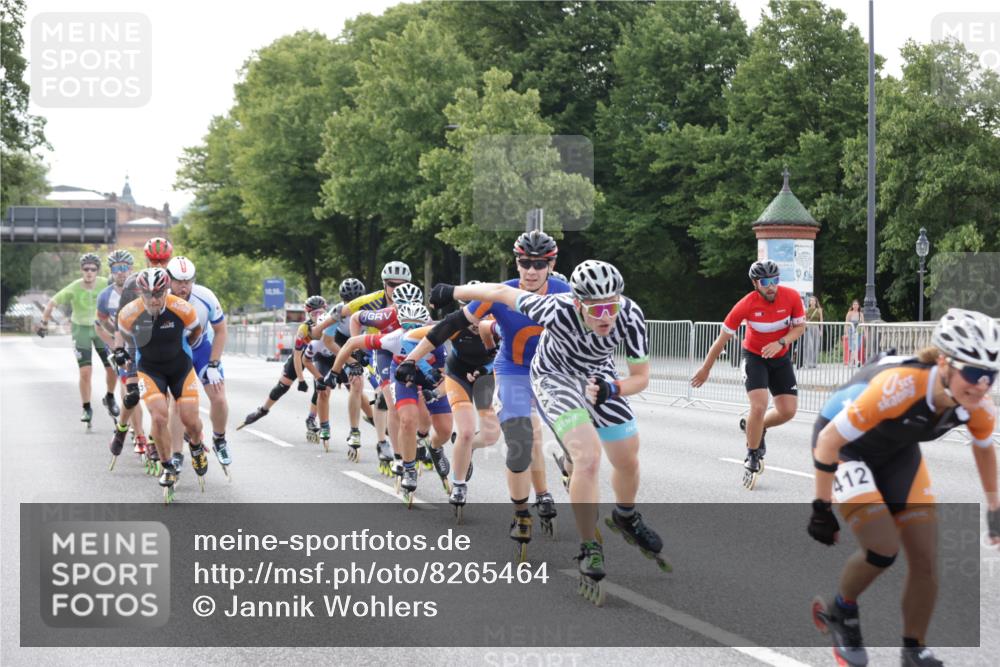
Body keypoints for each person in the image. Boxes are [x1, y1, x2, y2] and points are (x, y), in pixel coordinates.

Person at [429, 260, 660, 606]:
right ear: (577, 303)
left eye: (611, 307)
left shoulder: (629, 314)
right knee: (587, 458)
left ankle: (626, 515)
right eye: (596, 309)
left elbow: (641, 377)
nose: (606, 317)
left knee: (627, 458)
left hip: (599, 376)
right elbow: (500, 292)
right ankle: (589, 548)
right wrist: (453, 291)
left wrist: (614, 389)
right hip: (554, 378)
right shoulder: (554, 307)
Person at [807, 308, 999, 667]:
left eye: (990, 375)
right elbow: (830, 440)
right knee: (882, 547)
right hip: (846, 447)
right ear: (944, 363)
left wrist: (994, 507)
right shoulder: (901, 386)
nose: (982, 385)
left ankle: (914, 650)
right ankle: (842, 610)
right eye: (973, 373)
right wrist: (821, 507)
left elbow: (984, 449)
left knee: (925, 557)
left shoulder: (978, 406)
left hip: (896, 451)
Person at [417, 231, 566, 546]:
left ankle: (550, 489)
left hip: (549, 372)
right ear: (517, 262)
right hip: (511, 371)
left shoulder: (565, 293)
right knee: (522, 438)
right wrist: (412, 361)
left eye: (539, 264)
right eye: (524, 262)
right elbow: (450, 325)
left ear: (551, 265)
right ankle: (521, 511)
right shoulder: (500, 293)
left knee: (560, 440)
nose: (531, 270)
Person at [690, 260, 806, 490]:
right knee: (759, 405)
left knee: (788, 411)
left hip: (780, 356)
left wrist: (781, 342)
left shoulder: (792, 297)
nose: (771, 286)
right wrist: (706, 368)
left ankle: (756, 427)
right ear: (755, 284)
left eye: (775, 280)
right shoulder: (745, 305)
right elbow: (721, 340)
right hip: (755, 357)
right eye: (765, 282)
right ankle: (752, 454)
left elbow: (800, 327)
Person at [115, 268, 206, 500]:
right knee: (158, 417)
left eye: (158, 294)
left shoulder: (182, 308)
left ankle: (196, 446)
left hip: (180, 368)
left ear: (166, 291)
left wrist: (186, 347)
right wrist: (121, 352)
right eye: (148, 295)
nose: (153, 300)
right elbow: (124, 336)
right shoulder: (129, 313)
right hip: (150, 370)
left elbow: (196, 331)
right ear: (140, 293)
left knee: (190, 420)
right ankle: (167, 466)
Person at [108, 237, 174, 474]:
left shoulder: (173, 282)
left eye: (163, 260)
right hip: (137, 341)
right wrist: (118, 350)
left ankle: (155, 440)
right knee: (133, 394)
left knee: (164, 395)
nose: (158, 264)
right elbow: (121, 321)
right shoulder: (132, 283)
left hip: (164, 342)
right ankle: (122, 429)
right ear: (146, 259)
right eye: (154, 260)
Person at [164, 256, 231, 469]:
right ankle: (176, 454)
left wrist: (214, 363)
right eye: (179, 282)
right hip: (176, 353)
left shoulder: (205, 296)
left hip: (201, 348)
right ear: (169, 279)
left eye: (188, 281)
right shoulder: (161, 299)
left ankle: (219, 439)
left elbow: (221, 331)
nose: (184, 287)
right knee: (177, 403)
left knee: (218, 396)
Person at [37, 252, 118, 426]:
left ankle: (110, 397)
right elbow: (51, 303)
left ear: (97, 271)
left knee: (112, 368)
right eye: (86, 269)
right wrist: (43, 324)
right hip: (80, 330)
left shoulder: (105, 283)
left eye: (93, 269)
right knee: (85, 372)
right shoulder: (74, 287)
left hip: (101, 329)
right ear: (81, 270)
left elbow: (121, 296)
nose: (89, 272)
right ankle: (87, 407)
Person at [239, 296, 327, 440]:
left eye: (321, 313)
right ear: (308, 314)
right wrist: (301, 380)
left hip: (319, 355)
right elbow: (297, 356)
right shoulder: (304, 329)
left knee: (320, 385)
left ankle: (311, 418)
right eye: (314, 314)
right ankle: (263, 409)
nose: (318, 316)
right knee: (283, 385)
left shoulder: (329, 325)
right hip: (302, 355)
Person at [804, 295, 824, 368]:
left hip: (816, 328)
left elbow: (821, 320)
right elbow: (805, 319)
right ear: (809, 302)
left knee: (816, 345)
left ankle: (814, 363)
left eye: (813, 300)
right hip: (809, 328)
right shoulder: (806, 310)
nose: (812, 302)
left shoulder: (819, 310)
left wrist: (821, 330)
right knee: (809, 345)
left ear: (815, 302)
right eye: (811, 300)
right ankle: (808, 362)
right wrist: (805, 325)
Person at [846, 299, 864, 367]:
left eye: (856, 304)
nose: (855, 306)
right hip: (851, 332)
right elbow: (846, 324)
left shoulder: (861, 314)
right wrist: (846, 333)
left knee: (856, 347)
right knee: (853, 347)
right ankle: (856, 361)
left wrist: (864, 333)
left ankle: (851, 362)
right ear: (852, 305)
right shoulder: (849, 313)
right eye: (854, 304)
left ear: (858, 306)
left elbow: (863, 324)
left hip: (859, 332)